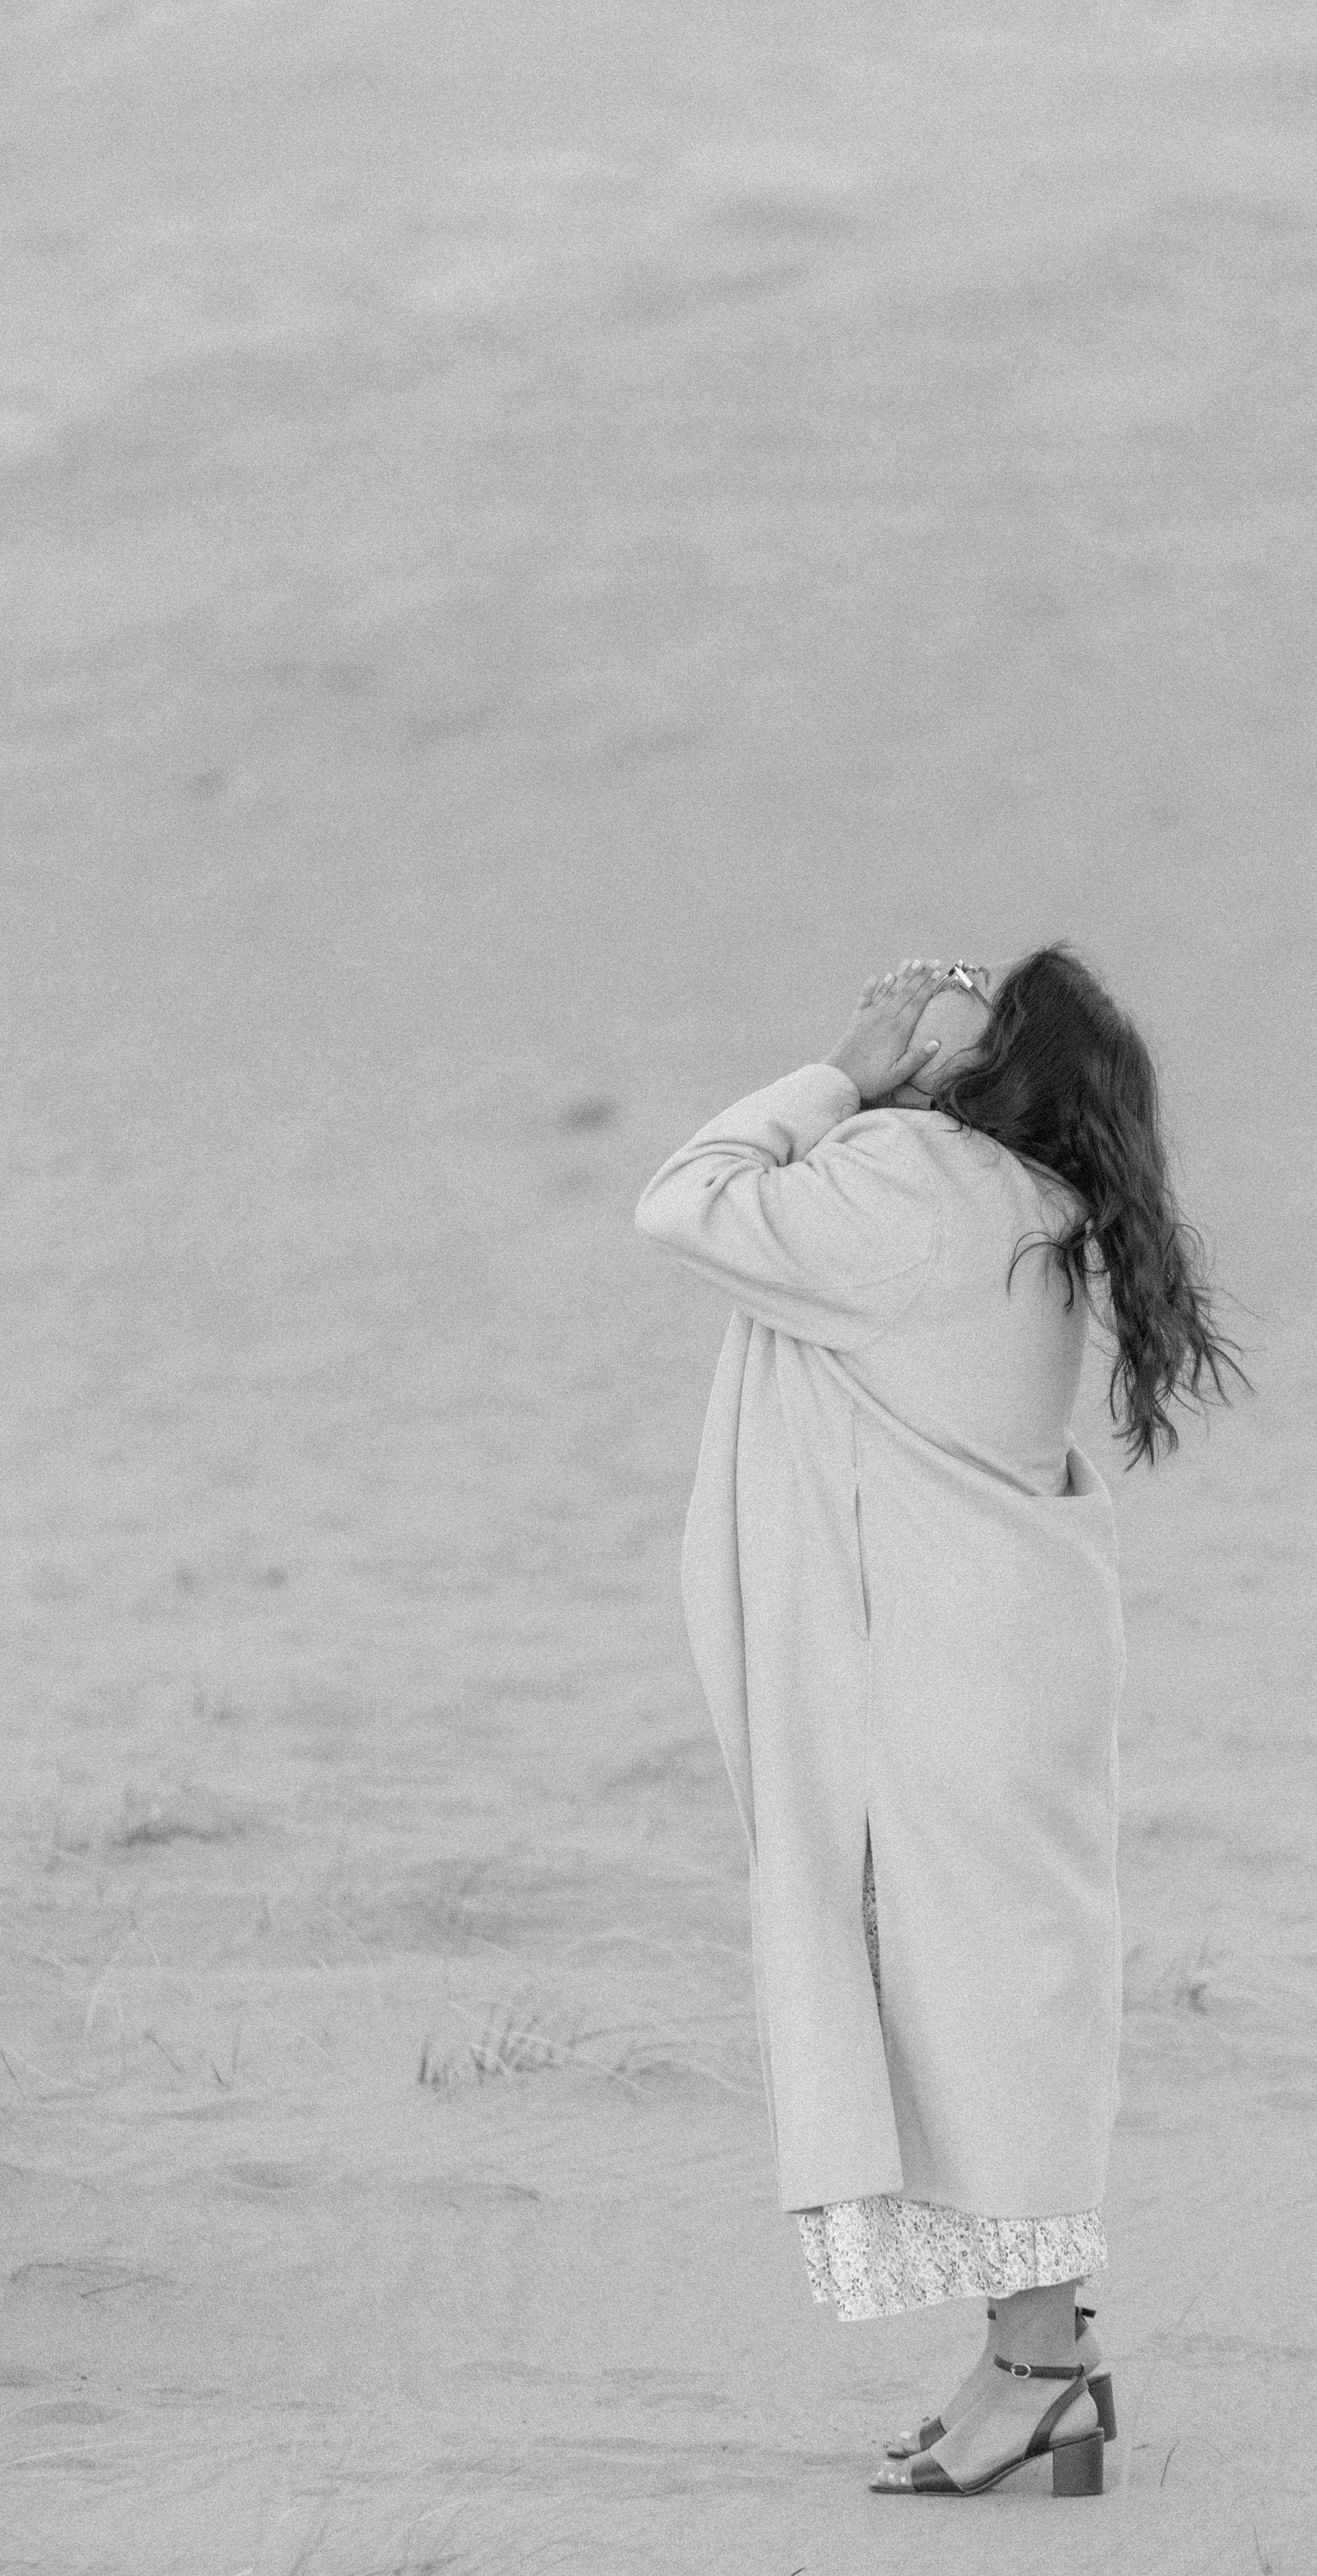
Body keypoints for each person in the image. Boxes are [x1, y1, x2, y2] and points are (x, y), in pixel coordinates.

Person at [635, 946, 1246, 2500]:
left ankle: (1040, 2369)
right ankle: (1024, 2355)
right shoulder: (1025, 1206)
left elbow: (685, 1196)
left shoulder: (913, 1177)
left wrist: (845, 1059)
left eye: (959, 984)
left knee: (975, 2009)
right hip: (1008, 1651)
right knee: (999, 1993)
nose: (921, 980)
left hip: (937, 1668)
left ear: (994, 1062)